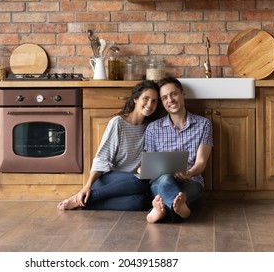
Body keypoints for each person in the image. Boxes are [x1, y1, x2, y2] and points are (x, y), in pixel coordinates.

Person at [57, 80, 161, 211]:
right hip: (109, 179)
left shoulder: (149, 128)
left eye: (154, 101)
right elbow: (102, 158)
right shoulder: (118, 123)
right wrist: (87, 185)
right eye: (145, 99)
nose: (150, 104)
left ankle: (85, 203)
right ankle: (81, 196)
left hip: (131, 182)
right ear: (135, 99)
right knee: (140, 183)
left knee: (141, 202)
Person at [143, 77, 213, 223]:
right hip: (162, 180)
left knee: (189, 191)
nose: (170, 100)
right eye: (164, 98)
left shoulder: (204, 124)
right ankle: (182, 212)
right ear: (162, 102)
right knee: (165, 181)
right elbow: (150, 165)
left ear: (182, 94)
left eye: (174, 94)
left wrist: (190, 173)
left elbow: (201, 161)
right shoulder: (153, 128)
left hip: (191, 181)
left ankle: (160, 212)